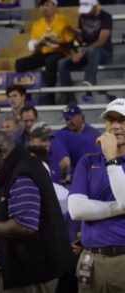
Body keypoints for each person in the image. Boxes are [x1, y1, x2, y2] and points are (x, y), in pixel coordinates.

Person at [0, 130, 74, 292]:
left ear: (0, 150)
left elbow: (24, 225)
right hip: (26, 273)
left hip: (33, 275)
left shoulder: (22, 172)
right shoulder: (18, 168)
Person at [68, 98, 125, 292]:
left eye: (122, 120)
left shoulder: (108, 160)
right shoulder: (88, 161)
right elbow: (76, 210)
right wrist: (119, 208)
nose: (116, 126)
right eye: (111, 120)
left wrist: (111, 159)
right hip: (90, 259)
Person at [15, 0, 73, 105]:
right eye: (42, 5)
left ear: (55, 7)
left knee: (50, 61)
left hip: (60, 52)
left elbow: (70, 43)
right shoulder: (37, 24)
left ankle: (50, 98)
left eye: (47, 5)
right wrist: (40, 44)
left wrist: (57, 41)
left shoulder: (63, 21)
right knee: (20, 63)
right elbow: (34, 48)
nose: (44, 8)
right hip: (43, 52)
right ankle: (25, 97)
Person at [58, 0, 113, 104]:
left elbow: (101, 41)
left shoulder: (106, 17)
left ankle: (90, 83)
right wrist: (77, 34)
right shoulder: (83, 17)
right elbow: (81, 41)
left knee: (93, 51)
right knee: (62, 63)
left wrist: (82, 52)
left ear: (95, 6)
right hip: (87, 52)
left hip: (104, 53)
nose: (86, 12)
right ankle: (68, 97)